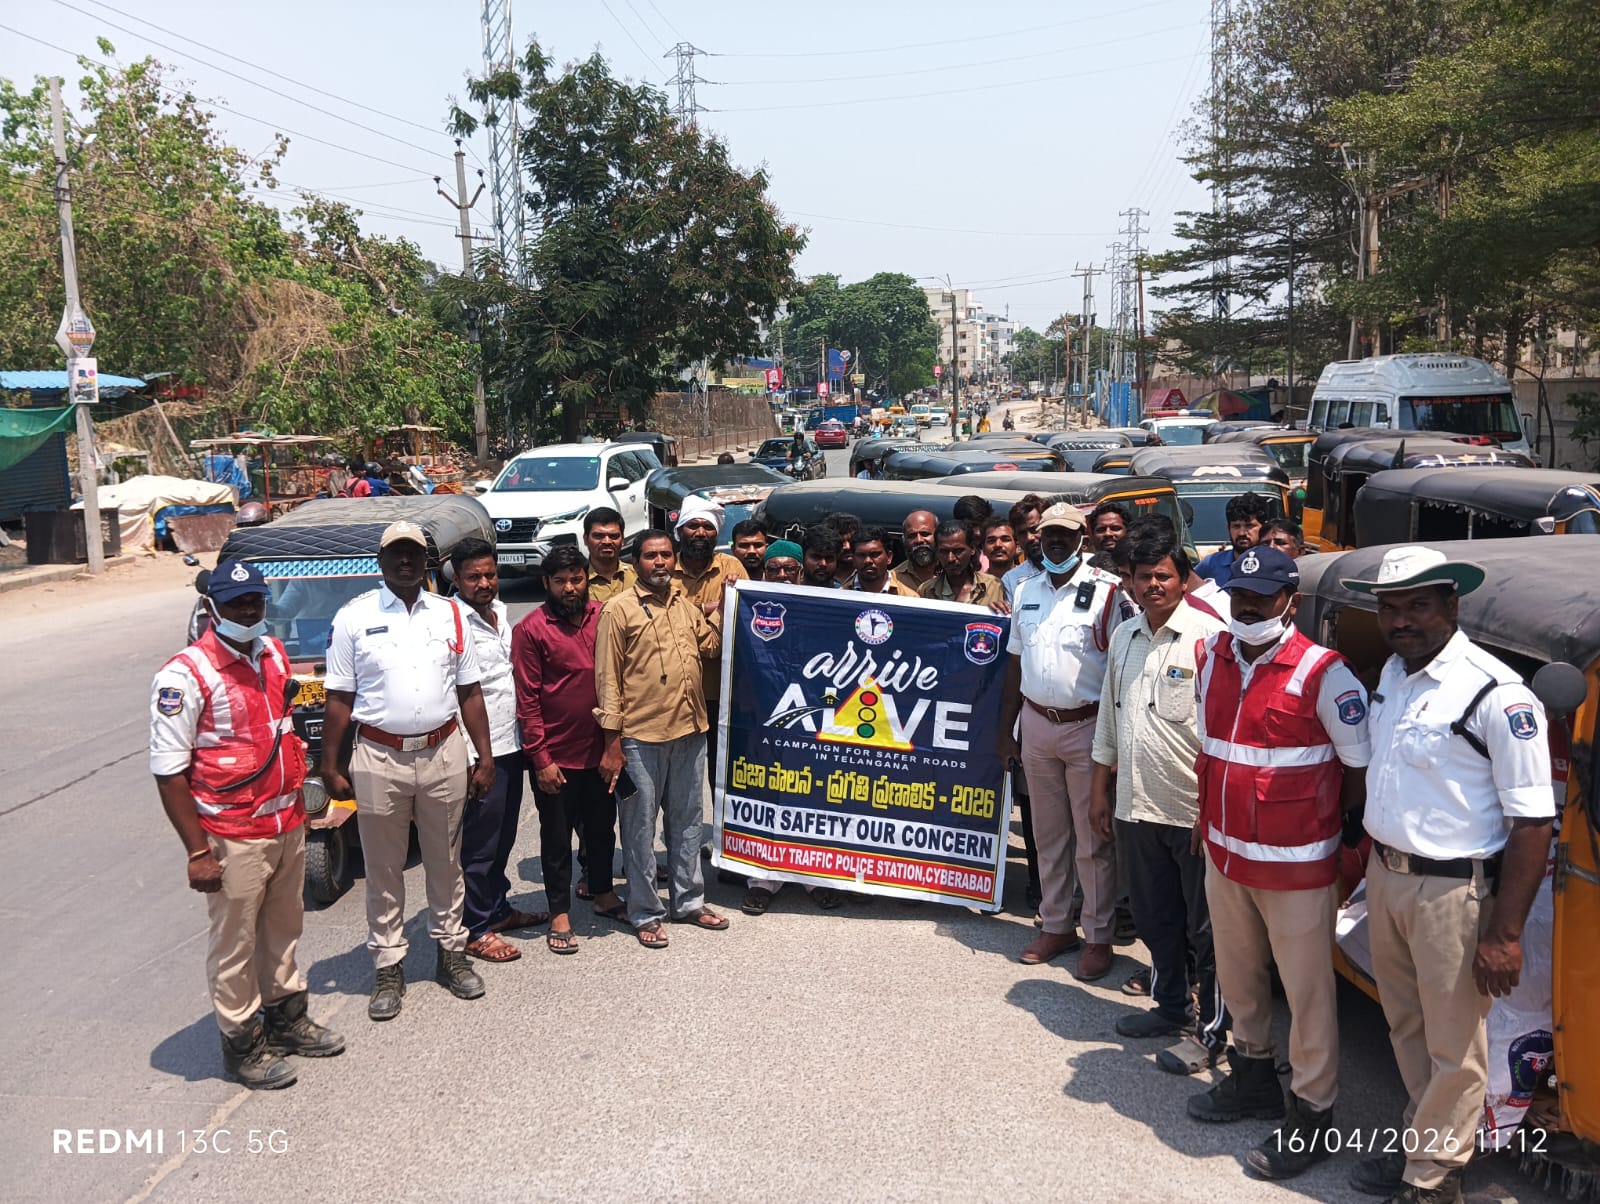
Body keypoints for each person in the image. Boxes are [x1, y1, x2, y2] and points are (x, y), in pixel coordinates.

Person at [1341, 547, 1555, 1204]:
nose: (1400, 620)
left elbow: (1532, 822)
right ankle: (1423, 1140)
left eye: (1416, 605)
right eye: (1389, 607)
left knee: (1456, 1044)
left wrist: (1506, 934)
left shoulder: (1497, 693)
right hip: (1389, 875)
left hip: (1454, 892)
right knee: (1407, 1027)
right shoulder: (1395, 677)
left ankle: (1433, 1177)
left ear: (1451, 605)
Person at [1187, 546, 1372, 1177]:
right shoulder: (1212, 658)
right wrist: (1204, 825)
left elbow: (1356, 770)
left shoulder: (1325, 674)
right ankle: (1253, 1075)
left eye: (1261, 599)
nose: (1247, 608)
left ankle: (1312, 1114)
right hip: (1225, 856)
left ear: (1289, 602)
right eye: (1240, 597)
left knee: (1308, 992)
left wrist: (1337, 838)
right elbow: (1213, 755)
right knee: (1240, 980)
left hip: (1297, 868)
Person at [150, 561, 344, 1090]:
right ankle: (242, 1044)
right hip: (231, 834)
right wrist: (197, 852)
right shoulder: (184, 676)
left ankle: (286, 1019)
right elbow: (169, 772)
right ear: (212, 607)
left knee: (283, 930)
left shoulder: (272, 653)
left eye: (256, 600)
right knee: (235, 944)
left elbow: (284, 725)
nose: (250, 610)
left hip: (286, 822)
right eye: (238, 603)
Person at [320, 521, 498, 1021]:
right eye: (396, 554)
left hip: (443, 752)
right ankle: (388, 964)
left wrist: (484, 756)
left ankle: (450, 953)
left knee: (446, 860)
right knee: (383, 868)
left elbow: (470, 692)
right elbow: (339, 697)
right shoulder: (355, 617)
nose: (405, 562)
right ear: (380, 560)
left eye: (414, 554)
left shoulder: (450, 616)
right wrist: (329, 764)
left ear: (427, 562)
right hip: (378, 757)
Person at [1089, 533, 1230, 1067]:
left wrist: (1211, 810)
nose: (1152, 586)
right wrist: (1100, 792)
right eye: (1142, 576)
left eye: (1163, 576)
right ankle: (1170, 1006)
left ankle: (1213, 1030)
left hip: (1191, 809)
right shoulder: (1124, 636)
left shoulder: (1210, 638)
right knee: (1154, 917)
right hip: (1135, 805)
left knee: (1207, 929)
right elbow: (1109, 717)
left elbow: (1221, 732)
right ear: (1128, 580)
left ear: (1182, 578)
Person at [997, 503, 1123, 975]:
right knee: (1048, 835)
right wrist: (1005, 730)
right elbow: (1014, 665)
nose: (1054, 541)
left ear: (1081, 538)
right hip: (1035, 725)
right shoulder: (1025, 591)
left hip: (1088, 727)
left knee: (1093, 839)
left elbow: (1117, 670)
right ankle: (1056, 924)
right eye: (1048, 533)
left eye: (1064, 534)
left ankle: (1098, 935)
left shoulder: (1109, 592)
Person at [594, 531, 730, 948]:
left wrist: (725, 608)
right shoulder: (618, 610)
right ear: (636, 563)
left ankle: (688, 902)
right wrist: (612, 743)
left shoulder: (684, 605)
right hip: (639, 737)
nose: (660, 562)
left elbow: (711, 646)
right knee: (638, 828)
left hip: (689, 730)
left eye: (666, 555)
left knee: (688, 823)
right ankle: (646, 911)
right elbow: (607, 679)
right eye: (651, 556)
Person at [512, 544, 626, 955]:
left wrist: (616, 744)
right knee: (557, 837)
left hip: (602, 749)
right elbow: (526, 700)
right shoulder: (530, 629)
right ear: (546, 584)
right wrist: (540, 759)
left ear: (586, 579)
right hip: (556, 755)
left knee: (601, 827)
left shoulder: (606, 616)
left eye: (576, 578)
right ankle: (558, 909)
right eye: (560, 581)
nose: (569, 587)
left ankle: (603, 893)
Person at [451, 538, 546, 965]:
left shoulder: (501, 614)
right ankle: (476, 928)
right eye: (474, 576)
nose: (485, 582)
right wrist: (476, 758)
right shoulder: (451, 622)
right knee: (479, 844)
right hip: (479, 752)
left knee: (504, 836)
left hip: (512, 743)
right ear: (456, 579)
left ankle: (499, 909)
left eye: (490, 574)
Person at [672, 497, 748, 788]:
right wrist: (712, 607)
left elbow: (741, 616)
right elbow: (666, 620)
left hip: (721, 691)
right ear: (681, 530)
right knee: (682, 778)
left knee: (723, 773)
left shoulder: (731, 566)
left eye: (707, 526)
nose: (701, 532)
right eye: (693, 525)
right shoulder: (666, 566)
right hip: (678, 694)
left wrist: (692, 609)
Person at [920, 519, 1007, 610]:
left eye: (958, 551)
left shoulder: (994, 586)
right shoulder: (927, 590)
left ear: (972, 549)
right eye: (944, 552)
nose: (950, 559)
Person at [1194, 492, 1274, 587]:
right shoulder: (1212, 564)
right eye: (1236, 526)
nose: (1242, 533)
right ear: (1228, 528)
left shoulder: (1275, 563)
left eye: (1249, 526)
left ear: (1264, 527)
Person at [583, 507, 635, 605]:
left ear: (623, 539)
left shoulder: (638, 576)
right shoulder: (576, 581)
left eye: (613, 536)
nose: (607, 542)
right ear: (585, 539)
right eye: (598, 536)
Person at [1001, 494, 1047, 603]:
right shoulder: (1011, 580)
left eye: (1034, 529)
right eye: (1022, 533)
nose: (1029, 538)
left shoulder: (1075, 569)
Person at [851, 526, 918, 596]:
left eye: (875, 554)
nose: (868, 561)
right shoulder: (840, 595)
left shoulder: (909, 598)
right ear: (853, 558)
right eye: (861, 555)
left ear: (889, 557)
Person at [892, 510, 941, 594]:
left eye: (925, 534)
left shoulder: (953, 573)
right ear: (904, 541)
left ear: (939, 536)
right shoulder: (894, 580)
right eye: (912, 536)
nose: (919, 540)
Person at [823, 512, 861, 586]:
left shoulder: (870, 575)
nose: (847, 547)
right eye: (841, 542)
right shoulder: (817, 575)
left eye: (851, 541)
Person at [801, 525, 843, 590]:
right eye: (816, 557)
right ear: (803, 557)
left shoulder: (844, 596)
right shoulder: (788, 592)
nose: (823, 564)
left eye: (829, 558)